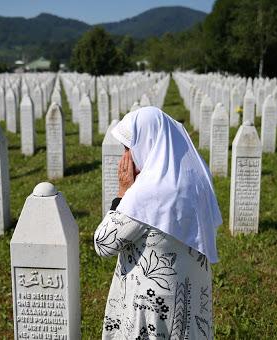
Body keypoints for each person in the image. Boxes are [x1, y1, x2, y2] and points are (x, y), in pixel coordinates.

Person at [93, 106, 222, 339]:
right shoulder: (197, 177)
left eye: (128, 148)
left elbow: (103, 243)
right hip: (189, 299)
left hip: (151, 307)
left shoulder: (147, 193)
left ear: (146, 142)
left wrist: (122, 194)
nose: (126, 157)